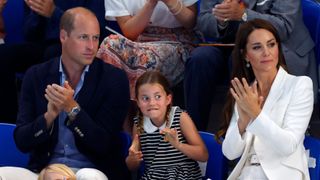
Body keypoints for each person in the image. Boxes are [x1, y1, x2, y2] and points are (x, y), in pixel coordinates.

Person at [0, 7, 130, 180]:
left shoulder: (114, 79)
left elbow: (104, 144)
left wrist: (73, 110)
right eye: (83, 37)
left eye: (96, 38)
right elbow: (22, 141)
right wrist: (48, 118)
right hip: (45, 172)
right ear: (63, 36)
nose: (91, 46)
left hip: (92, 171)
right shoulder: (36, 76)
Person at [185, 0, 319, 131]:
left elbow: (282, 26)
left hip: (277, 45)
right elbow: (203, 20)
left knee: (239, 58)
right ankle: (194, 133)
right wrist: (221, 20)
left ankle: (237, 132)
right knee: (200, 59)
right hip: (226, 43)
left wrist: (243, 15)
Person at [219, 19, 313, 180]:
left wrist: (255, 113)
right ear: (246, 55)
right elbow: (229, 152)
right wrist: (242, 121)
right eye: (257, 47)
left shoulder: (300, 85)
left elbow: (288, 145)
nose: (266, 53)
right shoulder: (245, 92)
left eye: (271, 44)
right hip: (246, 174)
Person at [0, 0, 108, 123]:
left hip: (77, 47)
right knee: (3, 55)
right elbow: (29, 34)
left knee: (52, 55)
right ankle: (7, 125)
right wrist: (37, 14)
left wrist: (53, 12)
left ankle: (50, 122)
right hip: (41, 46)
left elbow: (96, 31)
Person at [97, 0, 202, 99]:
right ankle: (109, 105)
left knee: (146, 58)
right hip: (139, 41)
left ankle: (137, 111)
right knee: (109, 44)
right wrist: (151, 3)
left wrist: (170, 1)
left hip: (177, 41)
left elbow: (191, 23)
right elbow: (130, 32)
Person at [126, 71, 208, 179]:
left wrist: (179, 145)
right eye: (145, 98)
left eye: (158, 96)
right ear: (138, 102)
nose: (152, 103)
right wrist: (132, 159)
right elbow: (132, 167)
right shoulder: (138, 124)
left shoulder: (180, 117)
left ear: (168, 99)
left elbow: (203, 155)